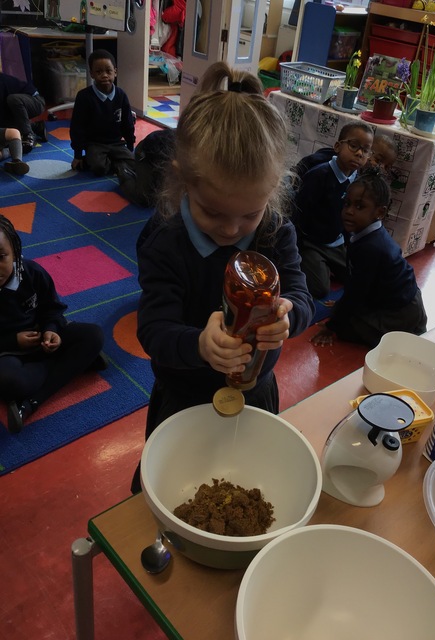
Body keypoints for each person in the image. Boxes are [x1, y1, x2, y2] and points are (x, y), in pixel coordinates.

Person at [130, 61, 315, 493]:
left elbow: (302, 295)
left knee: (251, 488)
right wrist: (199, 343)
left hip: (256, 392)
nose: (232, 229)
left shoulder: (274, 231)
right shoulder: (165, 243)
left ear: (275, 187)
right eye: (212, 212)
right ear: (183, 180)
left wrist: (289, 316)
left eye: (250, 213)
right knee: (169, 492)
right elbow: (154, 329)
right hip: (183, 398)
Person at [0, 215, 107, 433]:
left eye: (1, 257)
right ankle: (68, 368)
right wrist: (14, 341)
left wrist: (51, 330)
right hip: (7, 353)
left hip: (41, 339)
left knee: (94, 335)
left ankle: (32, 400)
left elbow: (53, 309)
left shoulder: (32, 272)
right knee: (11, 381)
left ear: (15, 253)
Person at [311, 170, 427, 348]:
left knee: (345, 329)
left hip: (402, 312)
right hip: (400, 301)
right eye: (347, 204)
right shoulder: (363, 233)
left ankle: (404, 334)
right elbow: (355, 281)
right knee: (348, 311)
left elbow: (357, 292)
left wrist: (332, 326)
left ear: (380, 212)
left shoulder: (372, 247)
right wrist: (342, 304)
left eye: (359, 207)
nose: (349, 211)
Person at [292, 122, 374, 300]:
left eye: (366, 150)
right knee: (320, 289)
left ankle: (324, 265)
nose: (359, 153)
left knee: (359, 277)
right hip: (311, 243)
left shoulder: (357, 180)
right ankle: (311, 264)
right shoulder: (318, 176)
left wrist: (349, 246)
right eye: (353, 146)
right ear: (337, 146)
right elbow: (298, 213)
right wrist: (295, 249)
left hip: (336, 243)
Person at [70, 49, 136, 177]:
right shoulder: (84, 96)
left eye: (108, 71)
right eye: (99, 72)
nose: (104, 75)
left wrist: (130, 147)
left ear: (115, 72)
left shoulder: (121, 95)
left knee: (134, 164)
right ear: (91, 74)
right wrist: (77, 155)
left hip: (116, 143)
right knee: (99, 167)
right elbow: (77, 127)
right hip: (95, 144)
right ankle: (97, 161)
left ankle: (114, 164)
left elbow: (127, 123)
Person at [117, 128, 176, 207]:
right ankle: (123, 170)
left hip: (163, 156)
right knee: (144, 198)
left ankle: (142, 174)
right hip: (146, 155)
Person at [0, 72, 47, 153]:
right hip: (16, 106)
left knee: (13, 99)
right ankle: (36, 127)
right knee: (6, 125)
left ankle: (28, 135)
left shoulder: (1, 81)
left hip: (35, 101)